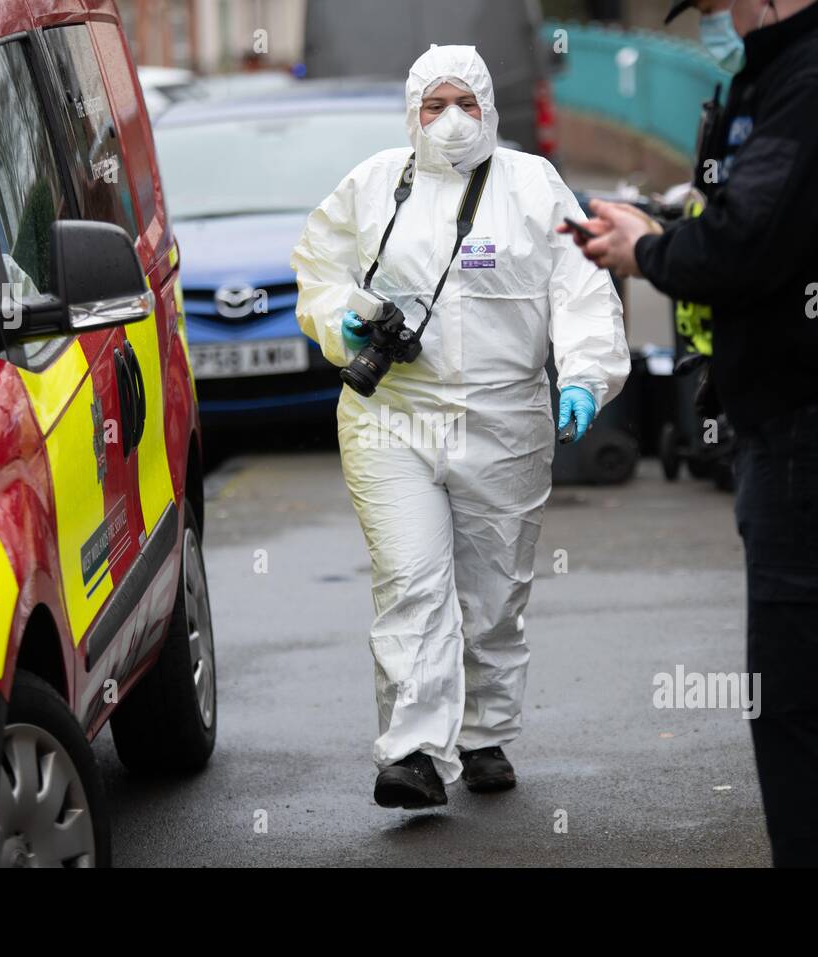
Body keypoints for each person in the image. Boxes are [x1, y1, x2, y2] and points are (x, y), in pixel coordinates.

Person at [563, 0, 818, 865]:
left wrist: (649, 251)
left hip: (815, 427)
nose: (719, 20)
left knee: (804, 702)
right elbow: (787, 227)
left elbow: (746, 244)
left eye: (715, 4)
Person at [293, 45, 630, 809]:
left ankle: (484, 731)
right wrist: (340, 320)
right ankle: (412, 751)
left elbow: (581, 287)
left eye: (466, 104)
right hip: (394, 418)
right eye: (434, 104)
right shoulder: (375, 185)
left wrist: (583, 374)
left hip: (505, 420)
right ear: (411, 113)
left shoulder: (532, 186)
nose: (450, 120)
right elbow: (318, 269)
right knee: (411, 581)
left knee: (493, 592)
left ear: (491, 109)